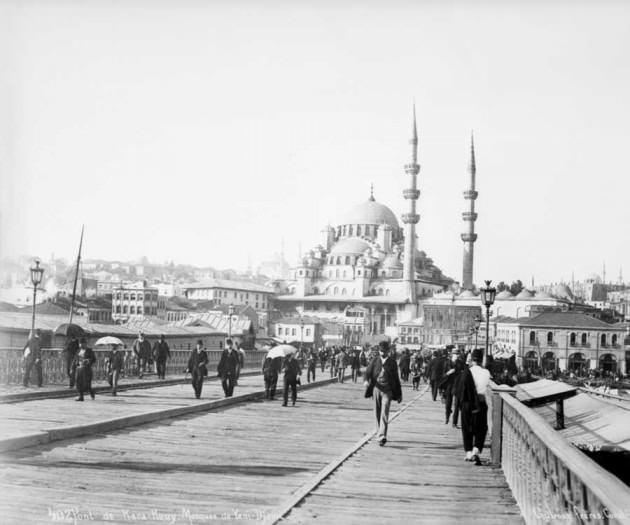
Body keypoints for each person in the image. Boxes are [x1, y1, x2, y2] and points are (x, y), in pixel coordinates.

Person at [364, 341, 402, 446]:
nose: (382, 353)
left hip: (387, 390)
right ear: (379, 351)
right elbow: (367, 372)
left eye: (384, 351)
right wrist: (366, 380)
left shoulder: (392, 362)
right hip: (376, 388)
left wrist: (399, 394)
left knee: (384, 412)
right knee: (377, 412)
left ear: (388, 351)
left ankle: (382, 436)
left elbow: (396, 379)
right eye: (381, 351)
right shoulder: (375, 360)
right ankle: (378, 432)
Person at [456, 348, 490, 465]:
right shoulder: (486, 373)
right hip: (481, 403)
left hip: (467, 404)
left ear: (471, 360)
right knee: (481, 428)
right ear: (482, 360)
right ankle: (476, 449)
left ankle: (469, 452)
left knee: (466, 428)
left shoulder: (467, 372)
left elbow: (460, 390)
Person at [440, 349, 465, 427]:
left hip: (457, 385)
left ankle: (454, 422)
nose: (456, 355)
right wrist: (448, 373)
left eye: (458, 354)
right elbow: (442, 375)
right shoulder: (447, 363)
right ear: (451, 354)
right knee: (448, 404)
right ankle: (447, 416)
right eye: (455, 354)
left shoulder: (461, 363)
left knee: (457, 404)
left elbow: (464, 374)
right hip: (449, 385)